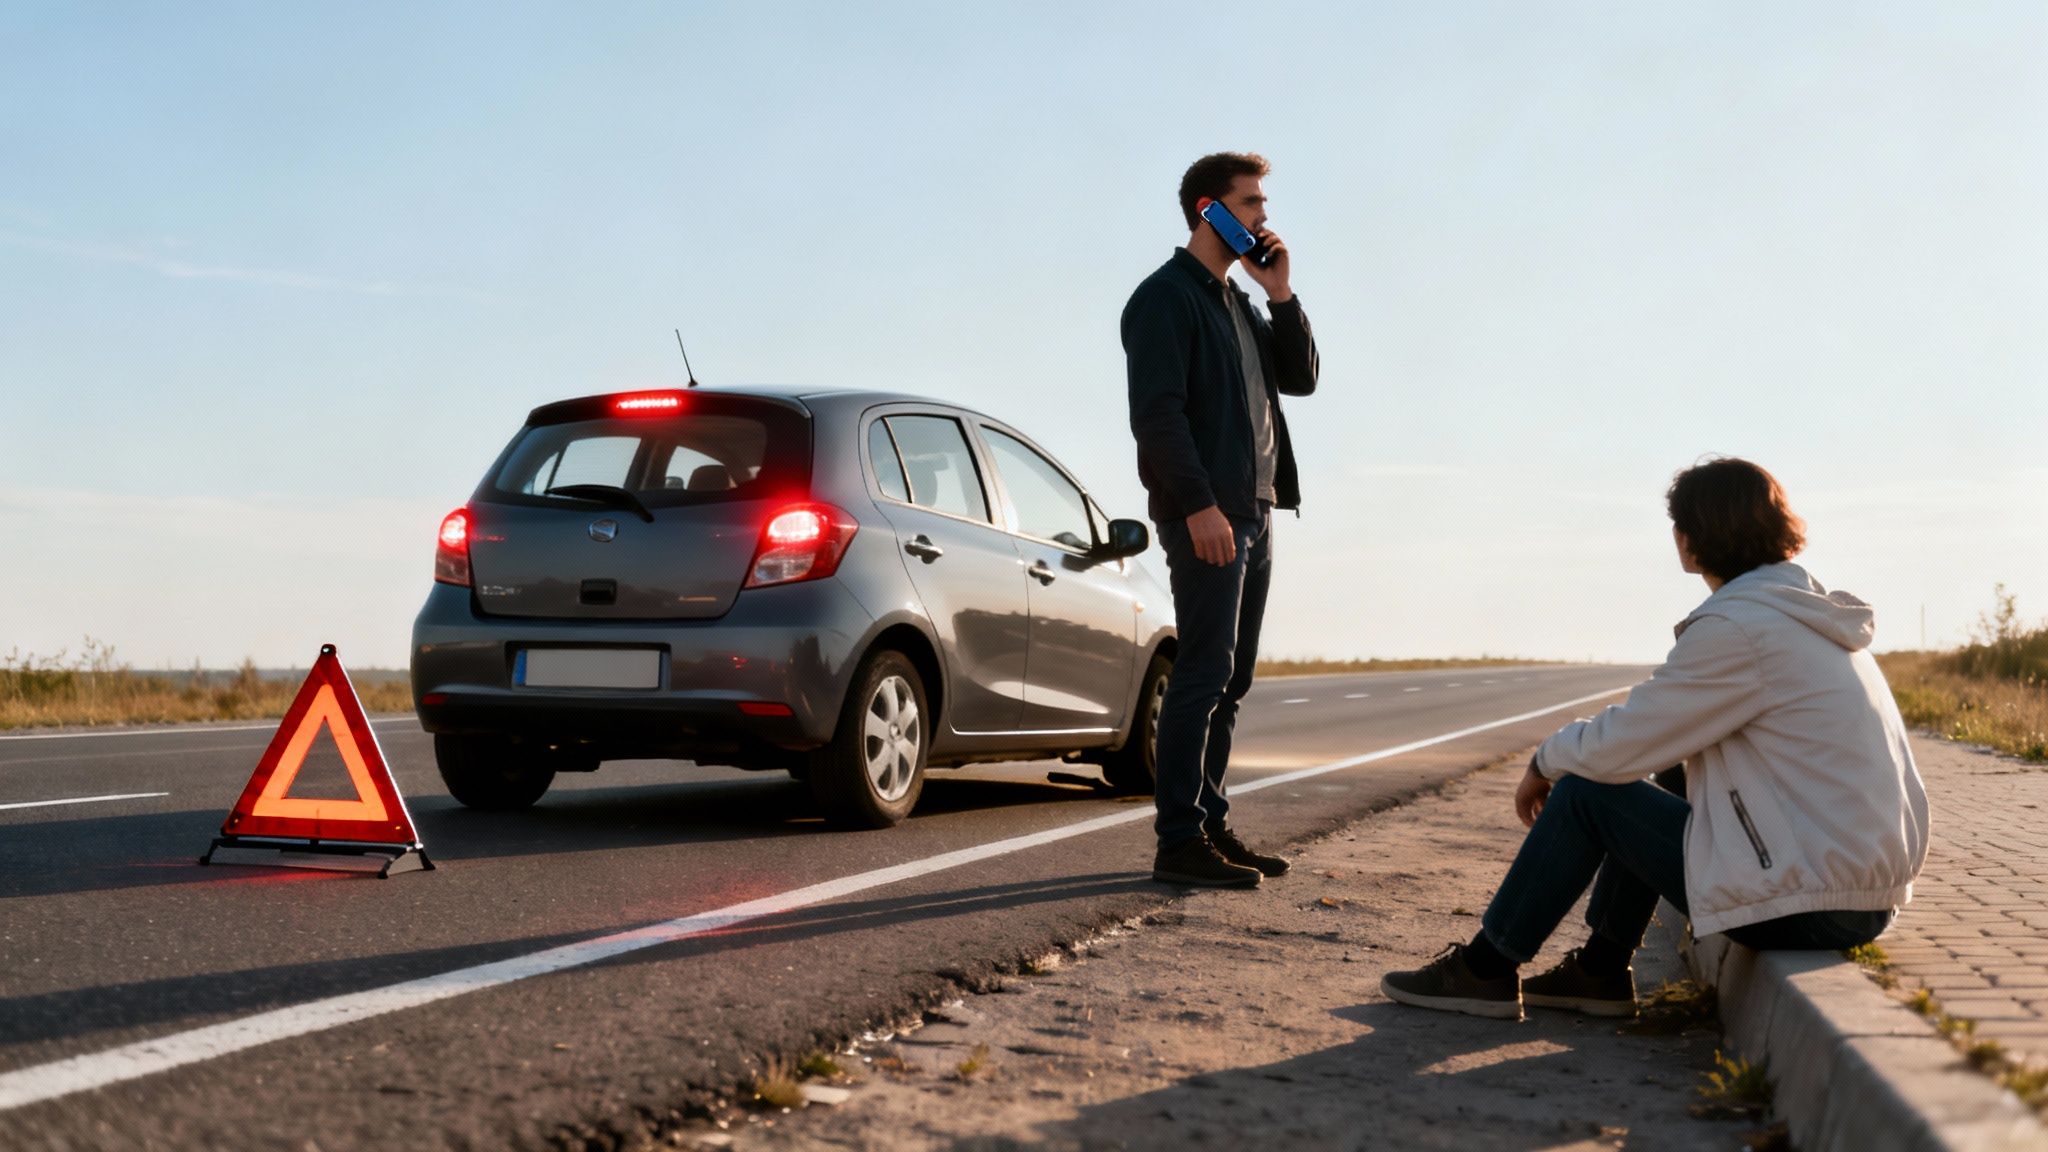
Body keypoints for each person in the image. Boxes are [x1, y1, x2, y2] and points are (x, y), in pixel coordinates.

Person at [1381, 457, 1930, 1018]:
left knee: (1585, 793)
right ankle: (1599, 971)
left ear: (1689, 541)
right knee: (1664, 772)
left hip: (1808, 903)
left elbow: (1622, 741)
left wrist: (1545, 761)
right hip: (1858, 895)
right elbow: (1653, 739)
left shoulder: (1742, 629)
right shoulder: (1804, 615)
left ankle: (1484, 969)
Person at [1122, 152, 1320, 888]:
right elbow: (1157, 416)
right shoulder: (1166, 299)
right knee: (1203, 673)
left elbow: (1299, 380)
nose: (1264, 219)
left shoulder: (1238, 302)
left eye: (1264, 206)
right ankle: (1178, 841)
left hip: (1257, 508)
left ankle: (1209, 824)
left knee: (1229, 681)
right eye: (1251, 205)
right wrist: (1200, 506)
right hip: (1210, 512)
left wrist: (1281, 293)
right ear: (1208, 210)